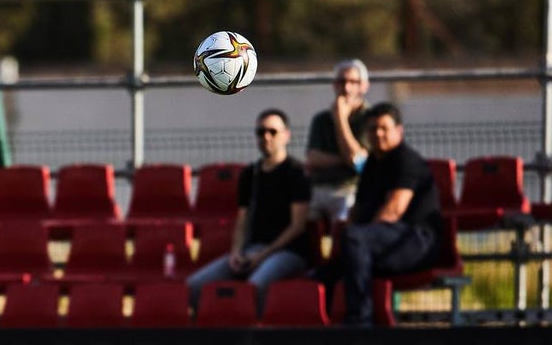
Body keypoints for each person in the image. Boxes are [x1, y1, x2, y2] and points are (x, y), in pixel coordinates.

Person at [324, 101, 442, 325]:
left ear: (399, 130)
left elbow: (394, 209)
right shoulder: (372, 163)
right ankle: (321, 322)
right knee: (325, 272)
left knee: (355, 240)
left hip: (415, 242)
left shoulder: (407, 161)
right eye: (372, 129)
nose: (377, 134)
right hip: (381, 240)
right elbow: (358, 209)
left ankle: (361, 319)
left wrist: (358, 238)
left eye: (383, 128)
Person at [186, 109, 312, 314]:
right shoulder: (250, 174)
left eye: (273, 132)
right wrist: (236, 252)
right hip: (252, 251)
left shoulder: (296, 173)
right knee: (194, 285)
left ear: (286, 135)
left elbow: (297, 226)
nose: (266, 137)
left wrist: (263, 255)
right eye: (261, 132)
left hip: (287, 252)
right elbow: (242, 220)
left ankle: (256, 336)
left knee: (255, 286)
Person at [304, 59, 370, 223]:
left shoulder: (370, 119)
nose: (346, 88)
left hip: (350, 189)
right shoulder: (321, 119)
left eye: (353, 82)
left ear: (363, 86)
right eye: (342, 82)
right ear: (334, 85)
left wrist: (340, 118)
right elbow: (312, 159)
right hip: (319, 187)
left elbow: (357, 160)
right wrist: (345, 161)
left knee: (344, 219)